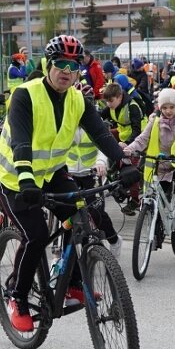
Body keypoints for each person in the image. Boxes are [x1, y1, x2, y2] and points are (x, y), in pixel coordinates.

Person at [0, 34, 140, 332]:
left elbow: (100, 134)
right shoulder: (25, 95)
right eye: (60, 64)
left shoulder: (78, 99)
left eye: (72, 66)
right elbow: (21, 141)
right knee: (35, 234)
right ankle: (17, 297)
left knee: (83, 216)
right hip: (14, 178)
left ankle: (72, 284)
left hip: (51, 173)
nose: (66, 71)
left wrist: (123, 163)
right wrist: (26, 179)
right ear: (48, 65)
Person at [123, 88, 175, 219]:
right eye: (164, 108)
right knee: (157, 200)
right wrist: (130, 149)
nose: (168, 111)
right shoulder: (155, 120)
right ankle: (156, 232)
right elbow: (143, 138)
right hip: (160, 166)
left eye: (171, 107)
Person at [67, 83, 123, 257]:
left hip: (91, 174)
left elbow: (103, 147)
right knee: (69, 216)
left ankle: (114, 240)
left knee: (96, 213)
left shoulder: (95, 123)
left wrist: (100, 162)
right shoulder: (64, 123)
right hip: (69, 174)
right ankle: (74, 254)